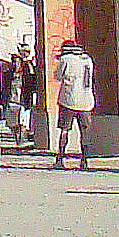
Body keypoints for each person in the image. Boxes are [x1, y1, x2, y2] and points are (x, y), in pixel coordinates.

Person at [50, 38, 97, 169]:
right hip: (86, 100)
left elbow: (58, 76)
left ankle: (60, 159)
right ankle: (84, 160)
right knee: (84, 131)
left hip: (68, 100)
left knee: (64, 130)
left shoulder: (65, 60)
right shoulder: (87, 59)